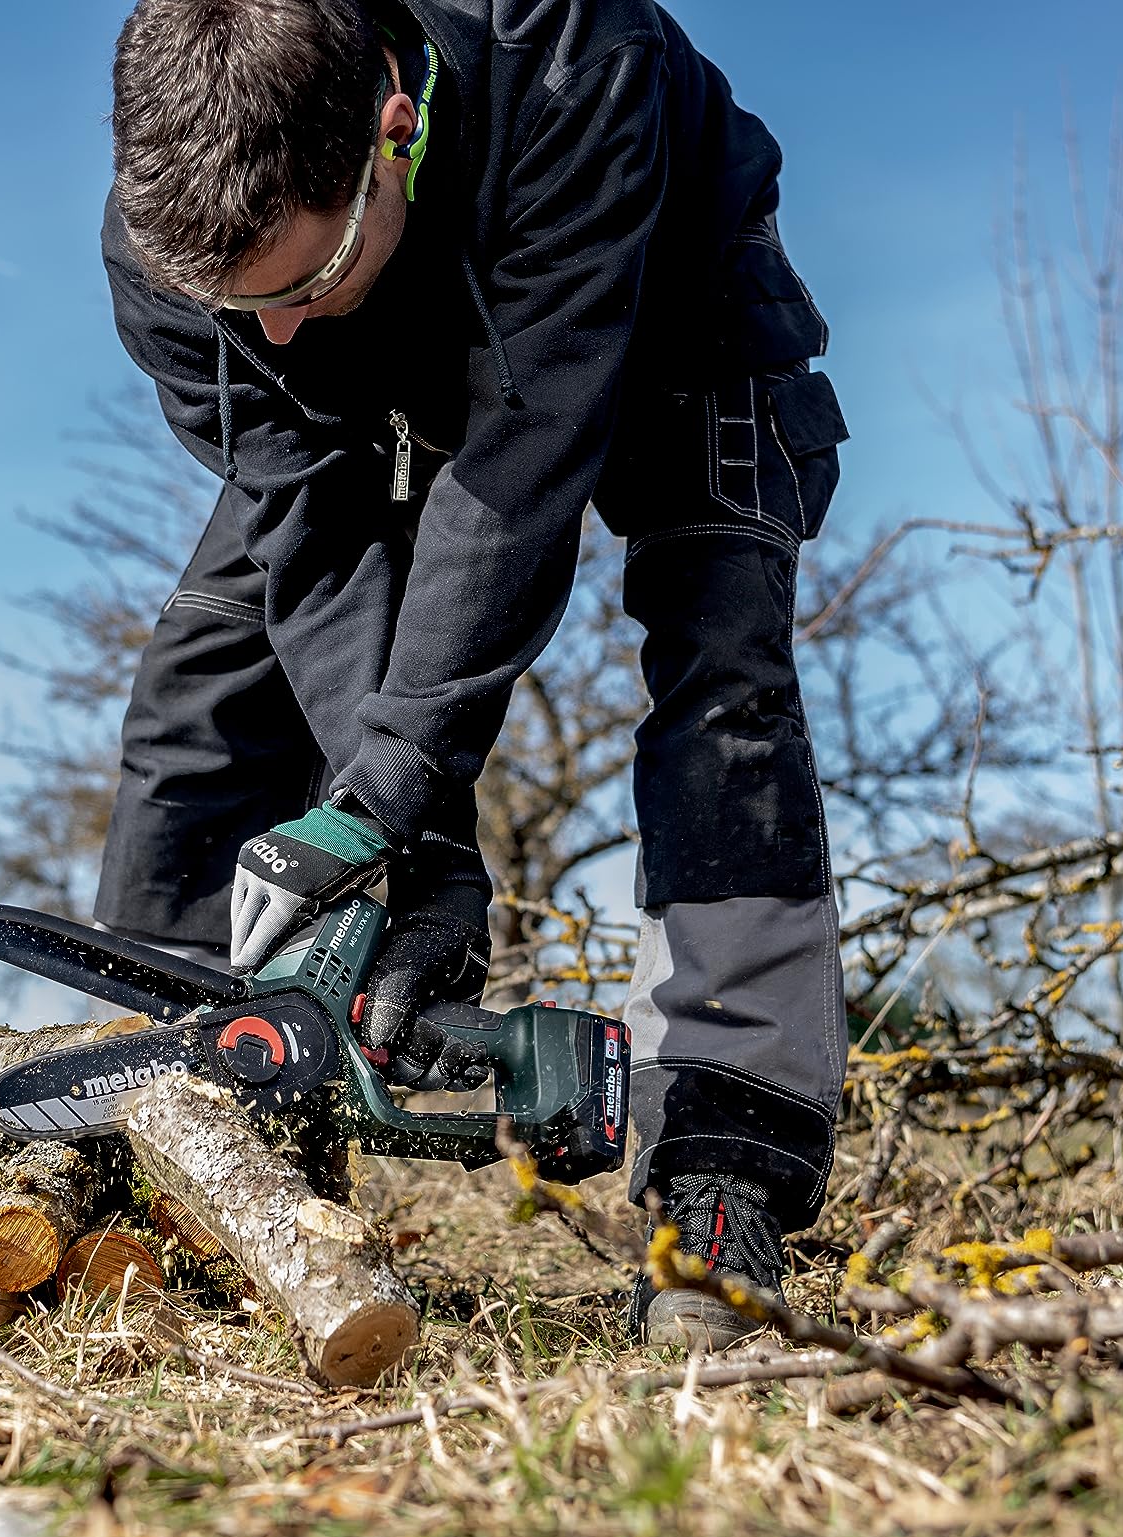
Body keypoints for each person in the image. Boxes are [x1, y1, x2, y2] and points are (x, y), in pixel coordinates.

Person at [92, 0, 848, 1349]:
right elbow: (308, 519)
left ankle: (723, 1178)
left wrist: (392, 780)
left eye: (292, 289)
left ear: (393, 131)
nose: (265, 337)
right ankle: (179, 1150)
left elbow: (521, 472)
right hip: (390, 362)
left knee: (724, 680)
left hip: (666, 298)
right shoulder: (182, 237)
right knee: (202, 689)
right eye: (233, 307)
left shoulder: (564, 57)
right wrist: (408, 839)